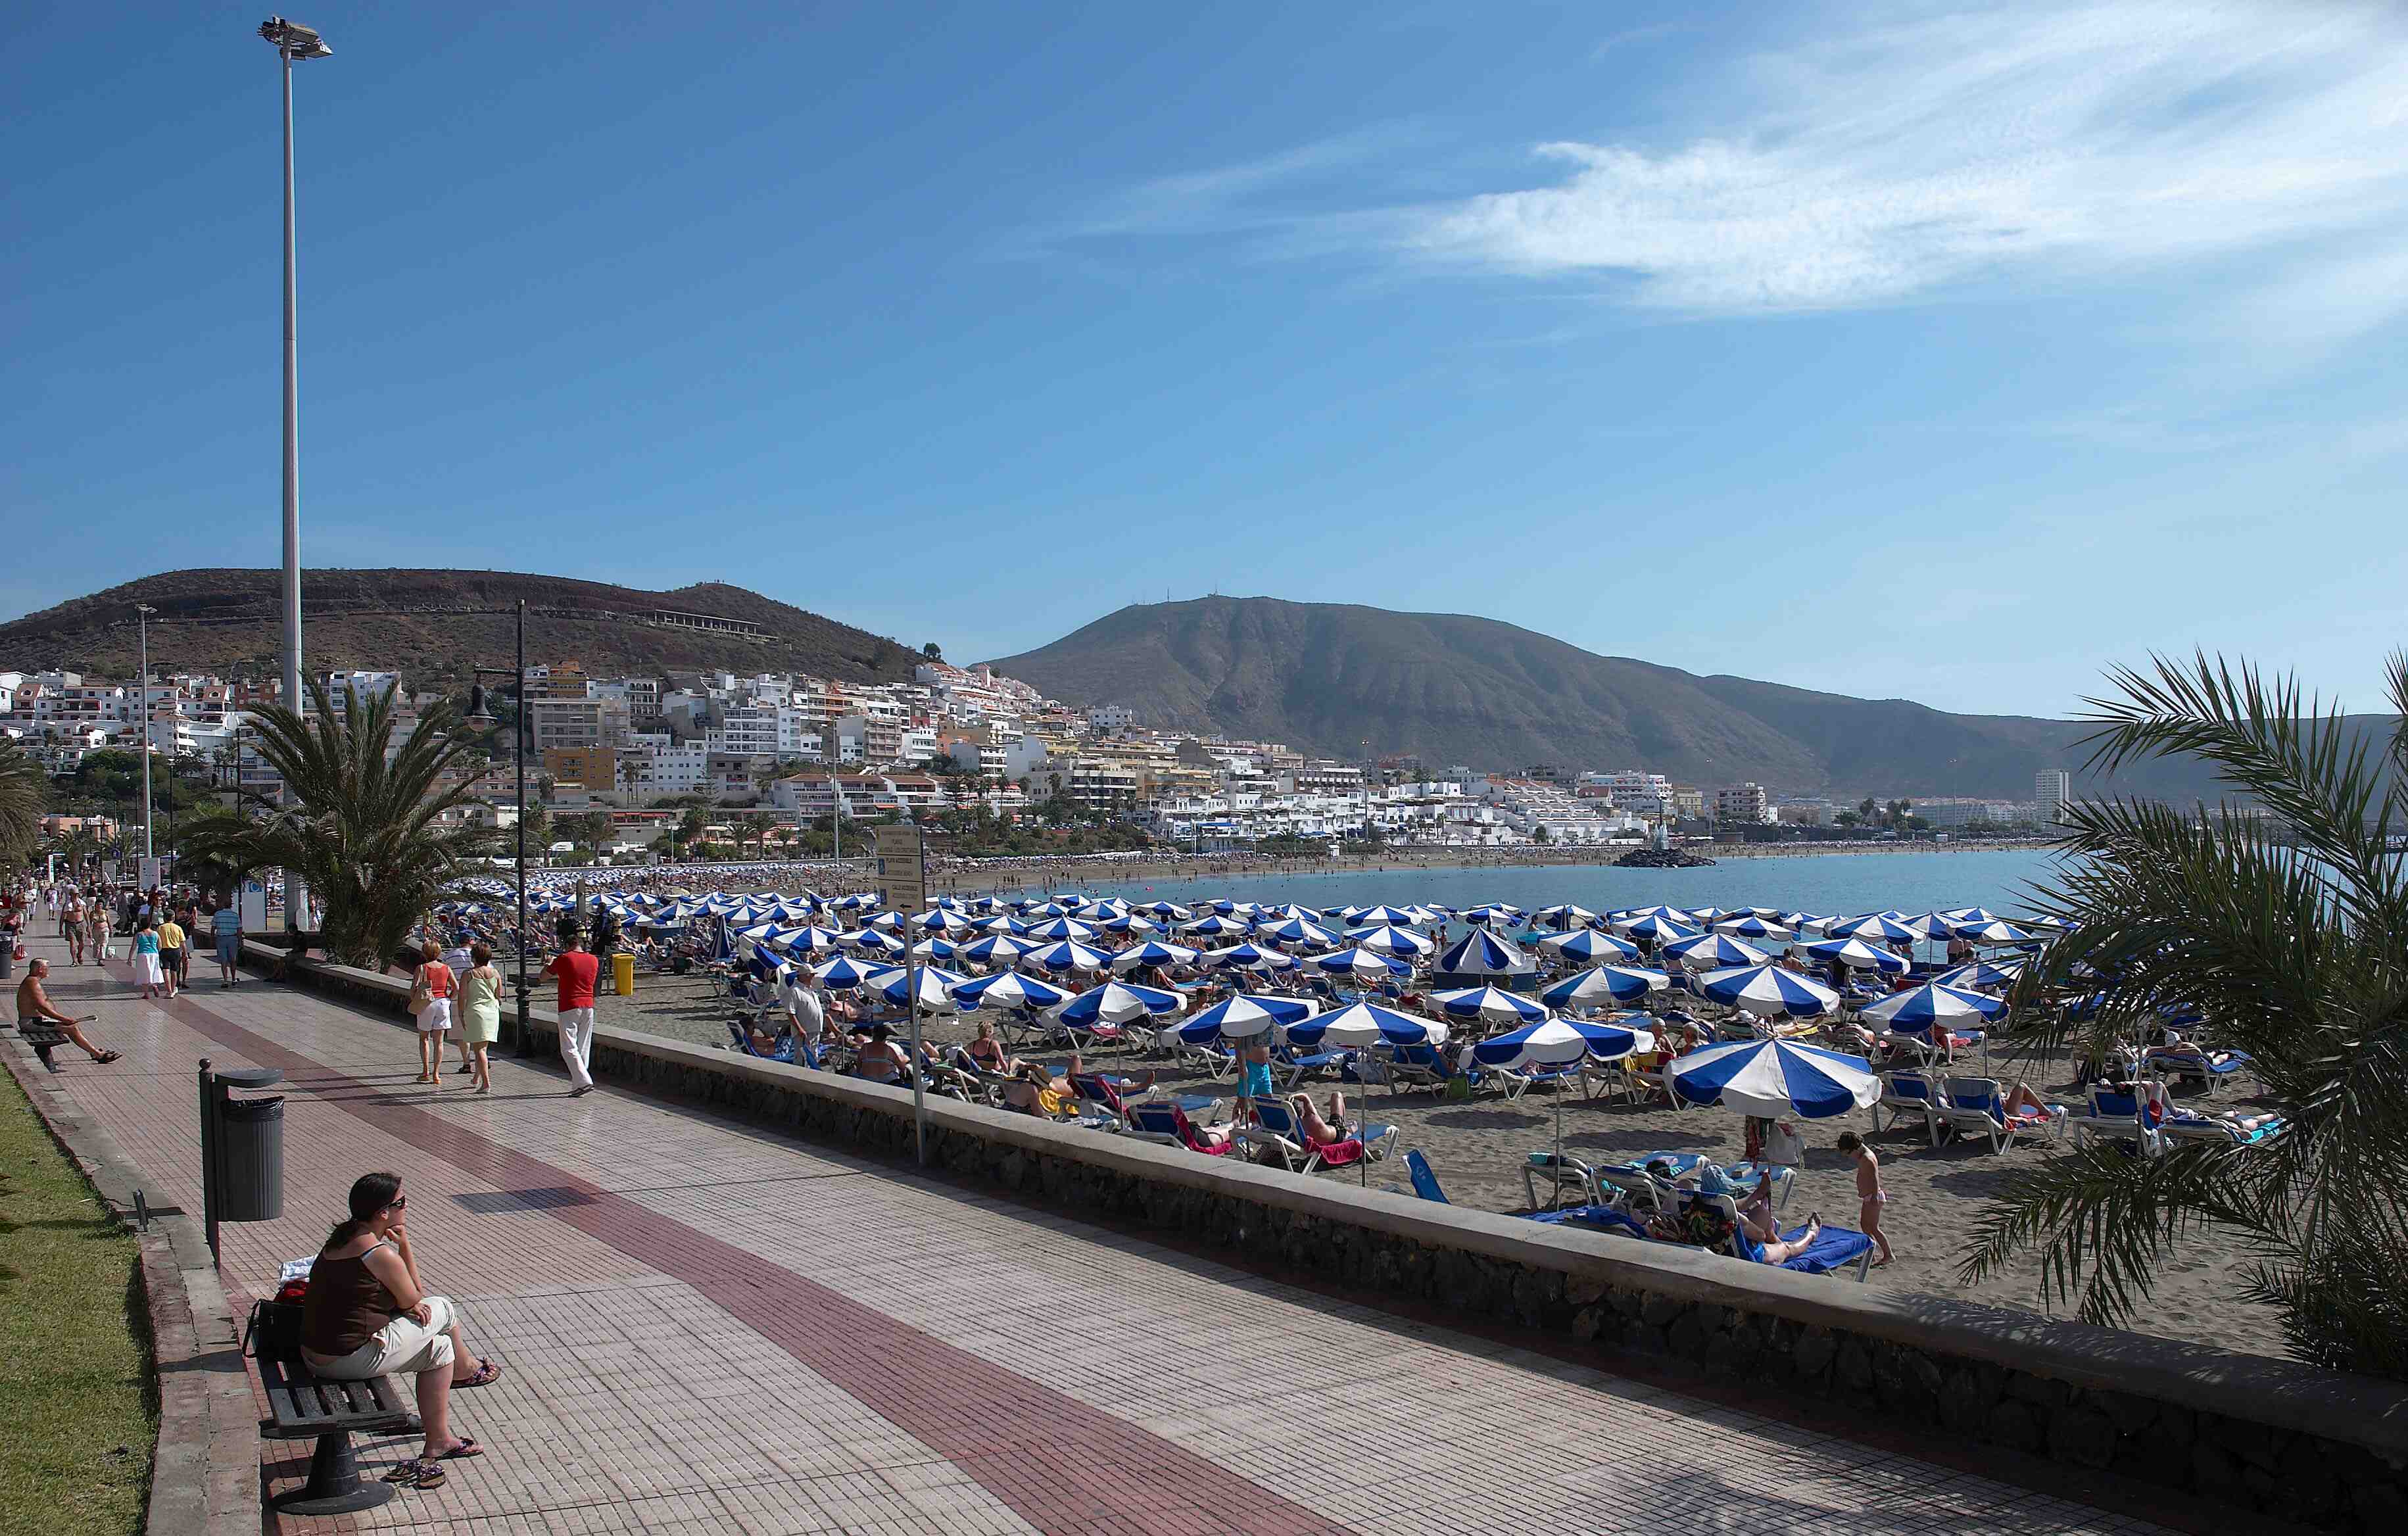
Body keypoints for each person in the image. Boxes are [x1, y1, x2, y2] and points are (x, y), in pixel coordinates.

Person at [298, 1172, 500, 1488]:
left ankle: (440, 1440)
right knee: (443, 1308)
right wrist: (405, 1244)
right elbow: (416, 1295)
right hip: (346, 1359)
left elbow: (398, 1302)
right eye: (400, 1203)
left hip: (317, 1353)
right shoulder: (379, 1254)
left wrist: (405, 1305)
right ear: (383, 1213)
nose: (406, 1207)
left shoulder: (343, 1237)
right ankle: (467, 1369)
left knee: (440, 1350)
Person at [15, 959, 120, 1065]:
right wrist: (63, 1019)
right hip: (31, 1023)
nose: (48, 971)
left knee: (73, 1026)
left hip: (39, 1020)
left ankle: (94, 1052)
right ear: (40, 969)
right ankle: (98, 1055)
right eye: (47, 968)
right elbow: (42, 1008)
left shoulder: (33, 981)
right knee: (72, 1028)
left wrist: (61, 1019)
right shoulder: (32, 982)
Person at [543, 926, 600, 1097]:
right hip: (588, 1005)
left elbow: (542, 977)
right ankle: (579, 1084)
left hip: (569, 1005)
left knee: (568, 1047)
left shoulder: (564, 958)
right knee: (583, 1047)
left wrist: (548, 963)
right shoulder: (593, 959)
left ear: (566, 945)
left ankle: (584, 1081)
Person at [1834, 1131, 1893, 1267]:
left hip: (1873, 1197)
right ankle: (1870, 1254)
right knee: (1865, 1225)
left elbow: (1875, 1178)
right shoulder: (1863, 1155)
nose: (1849, 1157)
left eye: (1849, 1154)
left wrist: (1873, 1195)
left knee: (1873, 1227)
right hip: (1869, 1196)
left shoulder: (1867, 1158)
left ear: (1854, 1148)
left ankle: (1888, 1255)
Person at [458, 943, 503, 1095]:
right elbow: (499, 996)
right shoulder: (496, 973)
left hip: (476, 1012)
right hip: (492, 1012)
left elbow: (462, 996)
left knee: (480, 1050)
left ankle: (486, 1083)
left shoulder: (468, 974)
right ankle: (477, 1077)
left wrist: (461, 1013)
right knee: (483, 1047)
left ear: (474, 957)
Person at [410, 940, 456, 1086]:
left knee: (424, 1038)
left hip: (427, 1004)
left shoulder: (421, 968)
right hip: (443, 1003)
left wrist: (415, 1001)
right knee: (439, 1041)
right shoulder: (446, 968)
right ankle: (437, 1073)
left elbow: (414, 988)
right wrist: (449, 998)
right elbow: (457, 988)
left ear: (424, 953)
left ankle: (425, 1071)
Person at [210, 894, 242, 986]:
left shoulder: (218, 914)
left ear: (223, 905)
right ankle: (234, 978)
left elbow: (213, 928)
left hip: (221, 938)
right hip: (233, 938)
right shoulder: (235, 915)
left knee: (224, 960)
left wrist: (212, 939)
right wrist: (240, 941)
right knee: (233, 959)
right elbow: (239, 929)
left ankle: (225, 980)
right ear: (231, 905)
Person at [131, 917, 164, 1000]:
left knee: (144, 973)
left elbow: (134, 947)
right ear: (150, 924)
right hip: (154, 954)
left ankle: (146, 994)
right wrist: (157, 952)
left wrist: (129, 958)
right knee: (155, 970)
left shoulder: (139, 935)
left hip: (142, 954)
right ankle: (154, 985)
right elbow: (160, 946)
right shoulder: (156, 934)